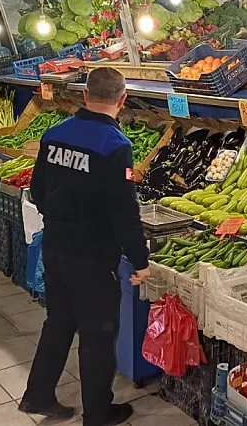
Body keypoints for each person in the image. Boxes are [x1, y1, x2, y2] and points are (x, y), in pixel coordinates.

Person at [21, 66, 150, 426]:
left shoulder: (55, 134)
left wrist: (61, 221)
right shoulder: (115, 145)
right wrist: (140, 260)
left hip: (56, 244)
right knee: (97, 333)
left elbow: (38, 191)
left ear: (85, 95)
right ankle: (97, 413)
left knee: (59, 322)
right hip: (92, 257)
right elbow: (125, 212)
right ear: (122, 100)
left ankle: (38, 395)